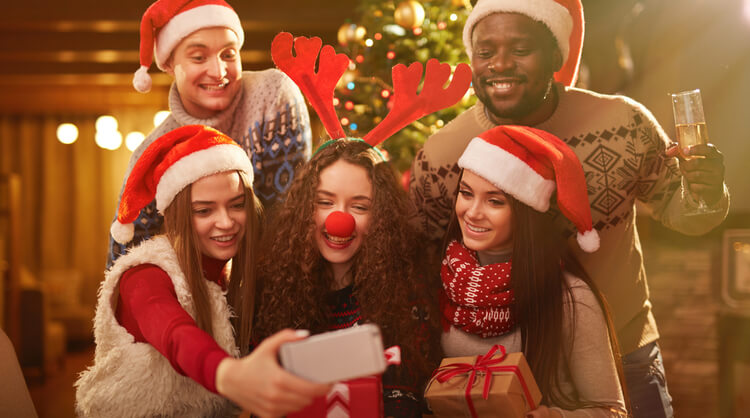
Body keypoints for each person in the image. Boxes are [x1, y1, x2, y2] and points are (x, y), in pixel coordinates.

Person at [409, 1, 729, 417]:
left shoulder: (623, 123)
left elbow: (685, 215)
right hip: (503, 368)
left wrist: (706, 190)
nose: (500, 65)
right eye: (486, 52)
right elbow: (417, 261)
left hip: (625, 356)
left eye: (521, 49)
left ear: (556, 56)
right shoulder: (443, 154)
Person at [252, 32, 473, 417]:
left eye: (360, 205)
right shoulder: (275, 293)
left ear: (382, 216)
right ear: (306, 209)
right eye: (325, 202)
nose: (339, 220)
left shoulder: (408, 294)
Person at [76, 125, 330, 418]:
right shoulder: (145, 274)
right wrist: (231, 375)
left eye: (236, 205)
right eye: (204, 210)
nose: (226, 222)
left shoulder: (233, 275)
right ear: (176, 215)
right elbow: (175, 335)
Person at [439, 124, 627, 417]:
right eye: (466, 193)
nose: (473, 212)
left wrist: (553, 416)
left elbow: (613, 412)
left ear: (525, 212)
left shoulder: (569, 299)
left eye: (494, 201)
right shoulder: (443, 278)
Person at [107, 0, 312, 267]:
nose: (218, 72)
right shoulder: (153, 151)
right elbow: (123, 257)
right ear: (169, 64)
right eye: (198, 57)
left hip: (278, 277)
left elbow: (288, 214)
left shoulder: (272, 97)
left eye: (229, 54)